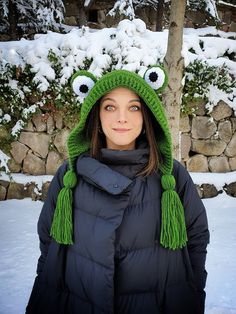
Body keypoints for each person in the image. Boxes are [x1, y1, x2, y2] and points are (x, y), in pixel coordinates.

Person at [26, 66, 209, 314]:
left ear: (147, 117)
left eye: (134, 107)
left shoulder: (172, 176)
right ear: (97, 116)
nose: (121, 117)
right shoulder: (69, 176)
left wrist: (191, 293)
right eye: (110, 107)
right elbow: (49, 242)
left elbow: (196, 241)